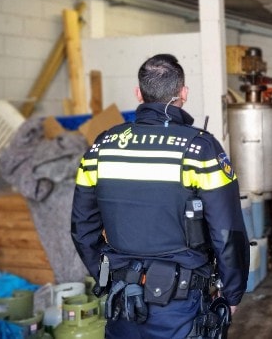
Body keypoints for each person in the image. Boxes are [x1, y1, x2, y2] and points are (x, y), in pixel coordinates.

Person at [71, 53, 250, 339]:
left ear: (138, 93)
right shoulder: (199, 149)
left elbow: (82, 227)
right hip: (182, 306)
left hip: (121, 301)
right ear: (183, 93)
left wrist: (108, 273)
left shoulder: (102, 147)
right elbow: (227, 231)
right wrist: (232, 292)